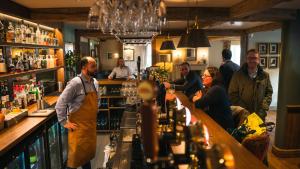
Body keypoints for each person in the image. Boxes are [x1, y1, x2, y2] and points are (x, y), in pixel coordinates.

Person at [55, 57, 98, 169]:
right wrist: (64, 122)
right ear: (84, 67)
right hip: (78, 129)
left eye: (95, 66)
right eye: (92, 66)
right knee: (74, 159)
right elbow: (60, 103)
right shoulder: (75, 83)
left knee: (86, 156)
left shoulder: (94, 82)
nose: (95, 68)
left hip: (90, 127)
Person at [228, 49, 273, 121]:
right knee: (244, 132)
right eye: (249, 58)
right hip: (243, 114)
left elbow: (269, 92)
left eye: (254, 58)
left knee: (259, 132)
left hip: (260, 115)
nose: (252, 60)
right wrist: (244, 110)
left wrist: (263, 108)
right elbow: (232, 94)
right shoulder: (237, 75)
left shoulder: (265, 76)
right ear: (246, 59)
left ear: (258, 60)